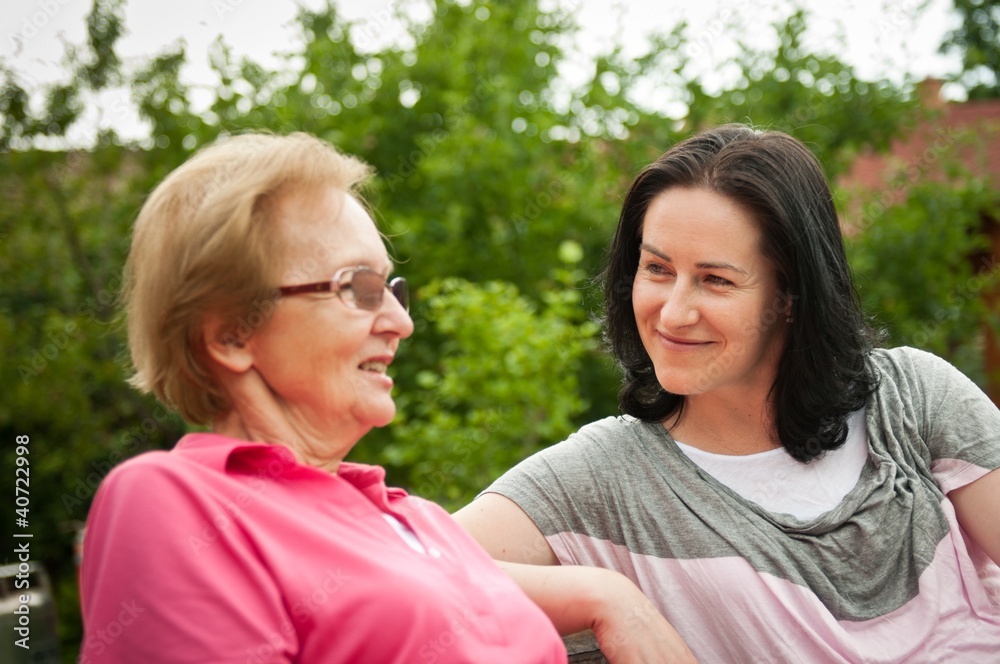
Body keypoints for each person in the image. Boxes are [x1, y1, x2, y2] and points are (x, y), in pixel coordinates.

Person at [454, 123, 1000, 662]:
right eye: (657, 269)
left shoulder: (913, 398)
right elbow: (402, 569)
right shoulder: (602, 477)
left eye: (715, 280)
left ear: (790, 295)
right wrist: (610, 601)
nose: (673, 313)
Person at [79, 132, 575, 663]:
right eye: (358, 288)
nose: (402, 323)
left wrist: (607, 597)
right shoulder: (176, 500)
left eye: (392, 289)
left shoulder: (422, 519)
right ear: (230, 334)